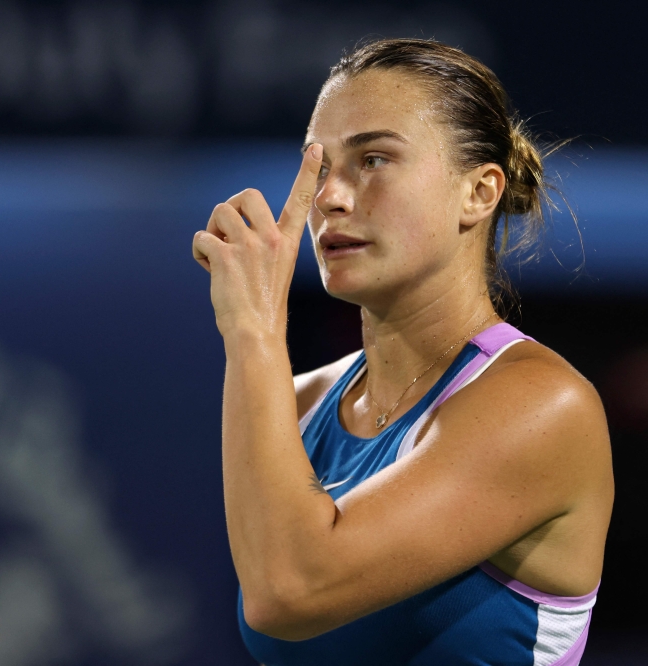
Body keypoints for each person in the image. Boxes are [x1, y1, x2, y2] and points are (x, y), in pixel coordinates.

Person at [192, 38, 614, 666]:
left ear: (478, 192)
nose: (330, 197)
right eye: (319, 166)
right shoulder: (299, 403)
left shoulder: (544, 407)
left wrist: (253, 330)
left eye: (374, 159)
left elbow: (290, 590)